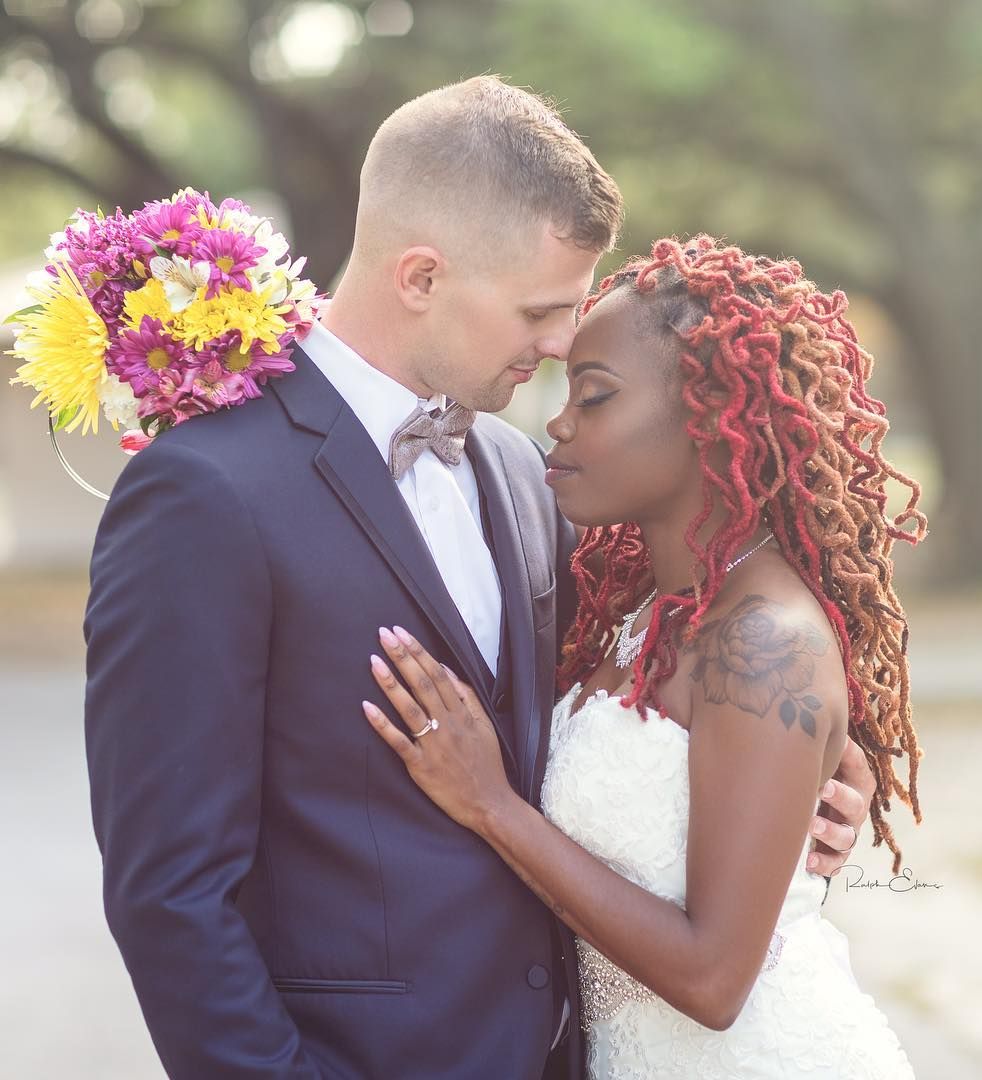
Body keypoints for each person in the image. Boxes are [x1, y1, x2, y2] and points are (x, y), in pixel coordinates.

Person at [84, 75, 875, 1079]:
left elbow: (656, 702)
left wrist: (814, 781)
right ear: (420, 278)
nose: (559, 346)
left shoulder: (519, 473)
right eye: (541, 312)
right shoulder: (206, 493)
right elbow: (170, 892)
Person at [364, 236, 926, 1078]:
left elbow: (714, 980)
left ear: (709, 417)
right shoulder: (642, 613)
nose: (558, 422)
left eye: (594, 398)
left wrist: (491, 805)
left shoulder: (764, 641)